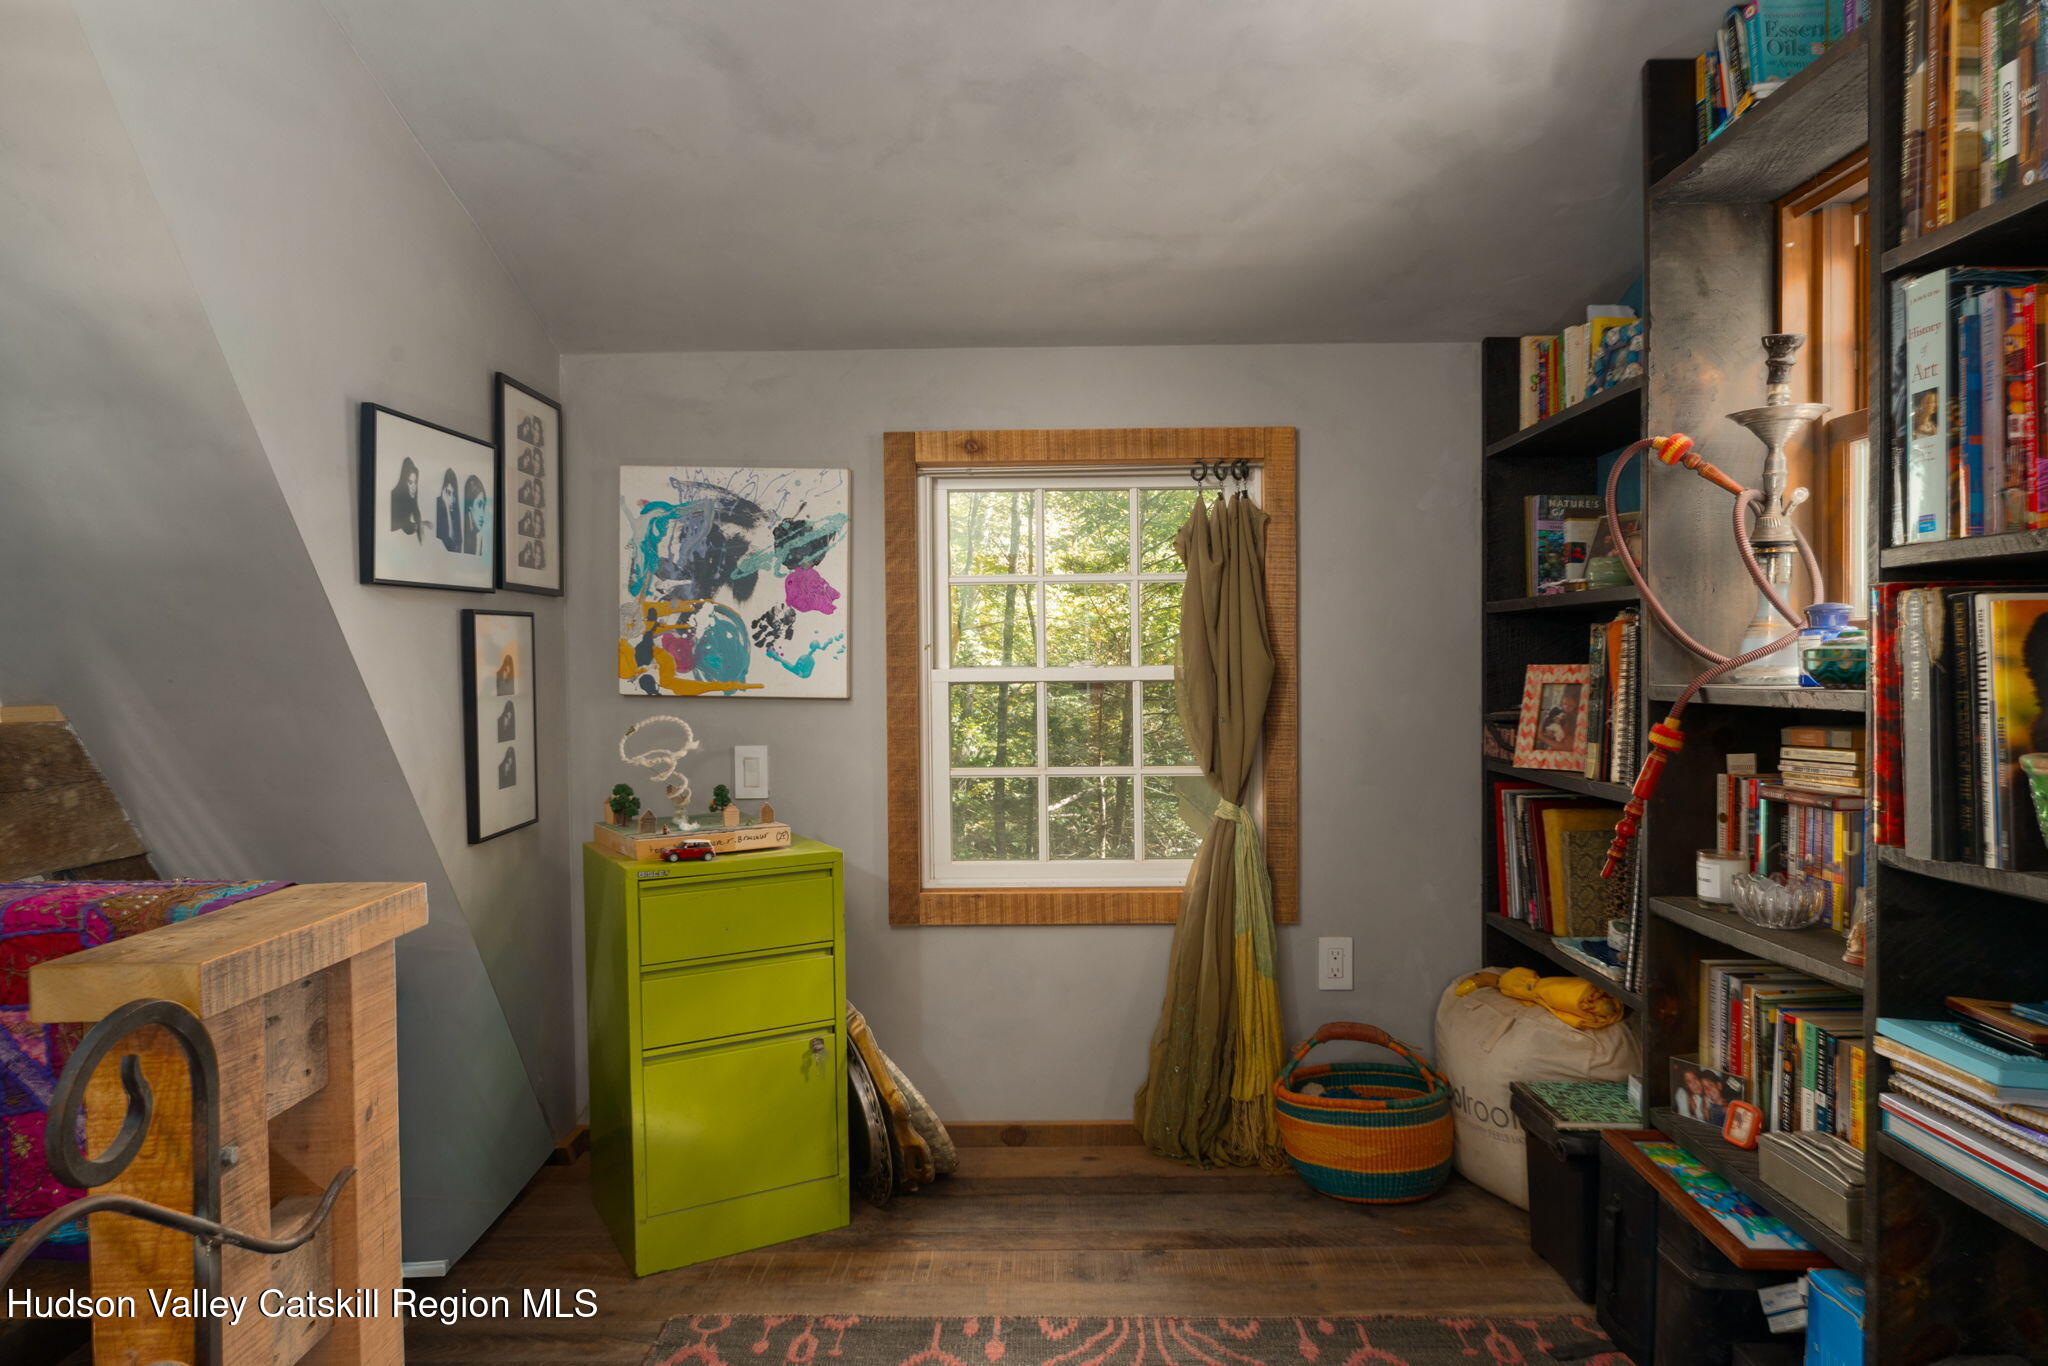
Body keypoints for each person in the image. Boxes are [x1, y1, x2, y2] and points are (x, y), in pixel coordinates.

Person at [389, 457, 424, 539]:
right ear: (404, 482)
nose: (413, 487)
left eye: (415, 482)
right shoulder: (394, 498)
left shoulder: (411, 502)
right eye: (410, 482)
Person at [434, 469, 462, 551]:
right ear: (443, 492)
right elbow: (448, 539)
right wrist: (446, 505)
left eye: (454, 495)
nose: (452, 500)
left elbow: (456, 546)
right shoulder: (438, 507)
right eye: (449, 493)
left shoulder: (455, 514)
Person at [463, 474, 489, 556]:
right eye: (479, 504)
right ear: (470, 506)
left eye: (483, 507)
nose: (482, 514)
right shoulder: (463, 539)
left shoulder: (477, 536)